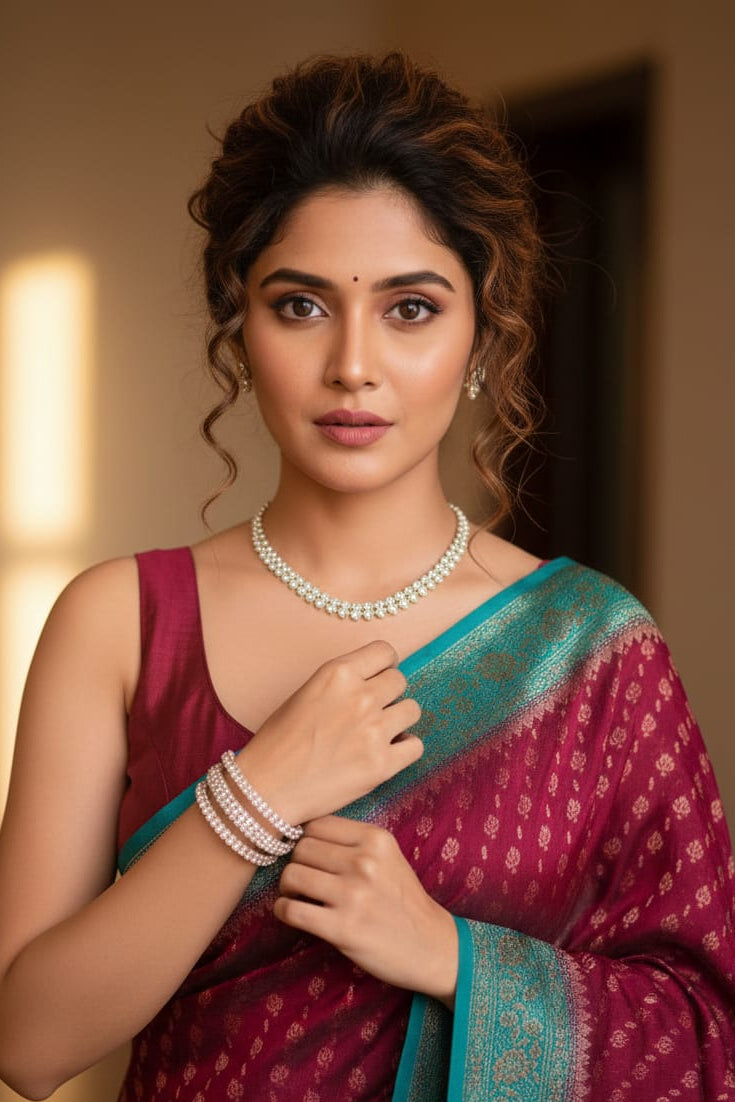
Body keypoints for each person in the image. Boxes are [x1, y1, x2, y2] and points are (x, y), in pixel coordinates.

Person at [0, 51, 733, 1102]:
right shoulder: (119, 622)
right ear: (239, 329)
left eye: (412, 308)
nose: (354, 363)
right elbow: (25, 1042)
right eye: (300, 305)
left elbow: (706, 1037)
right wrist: (253, 797)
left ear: (480, 334)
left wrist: (450, 957)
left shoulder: (591, 650)